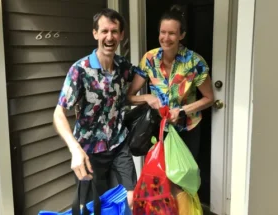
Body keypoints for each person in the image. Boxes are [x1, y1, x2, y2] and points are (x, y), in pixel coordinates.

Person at [127, 4, 214, 211]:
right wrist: (147, 96)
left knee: (183, 179)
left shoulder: (194, 62)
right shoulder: (149, 59)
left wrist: (181, 111)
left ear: (181, 35)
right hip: (158, 131)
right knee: (160, 178)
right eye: (163, 32)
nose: (166, 38)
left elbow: (209, 98)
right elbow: (129, 97)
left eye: (172, 33)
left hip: (187, 130)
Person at [53, 8, 138, 207]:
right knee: (92, 207)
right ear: (95, 34)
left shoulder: (123, 66)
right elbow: (59, 113)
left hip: (118, 144)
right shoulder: (80, 70)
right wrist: (74, 149)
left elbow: (142, 73)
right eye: (104, 31)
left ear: (121, 35)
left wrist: (143, 98)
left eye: (114, 31)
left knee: (129, 200)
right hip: (88, 151)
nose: (109, 37)